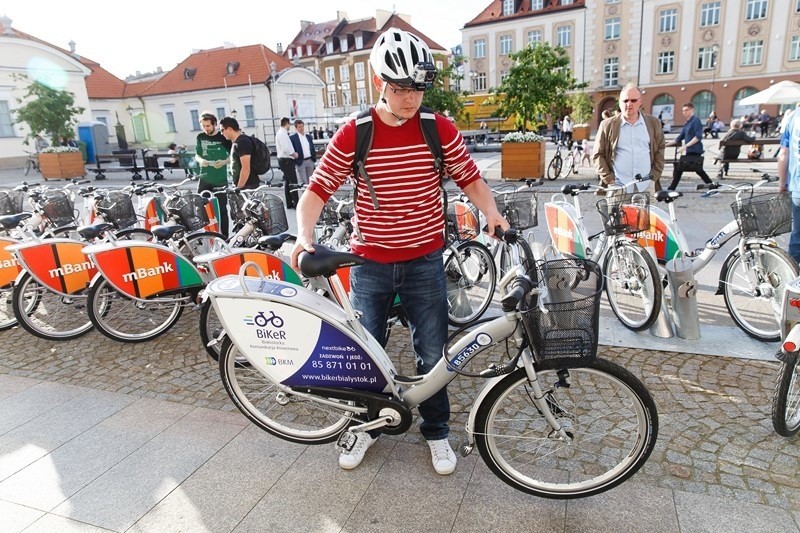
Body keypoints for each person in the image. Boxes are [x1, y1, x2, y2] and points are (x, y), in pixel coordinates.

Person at [290, 27, 508, 476]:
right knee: (366, 353)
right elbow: (317, 189)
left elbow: (470, 178)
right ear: (379, 83)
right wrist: (302, 234)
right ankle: (365, 426)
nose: (411, 99)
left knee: (433, 353)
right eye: (401, 89)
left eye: (418, 88)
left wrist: (492, 213)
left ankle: (436, 431)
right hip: (369, 262)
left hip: (425, 261)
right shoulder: (356, 132)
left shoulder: (437, 128)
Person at [592, 83, 666, 193]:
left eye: (633, 100)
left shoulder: (653, 123)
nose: (629, 104)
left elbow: (660, 148)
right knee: (615, 211)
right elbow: (597, 155)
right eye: (625, 101)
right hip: (618, 186)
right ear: (620, 103)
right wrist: (609, 179)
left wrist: (653, 176)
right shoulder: (607, 125)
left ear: (640, 102)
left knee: (645, 211)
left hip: (645, 185)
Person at [195, 113, 232, 237]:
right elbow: (197, 155)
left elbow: (232, 155)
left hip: (220, 179)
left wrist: (223, 162)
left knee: (221, 209)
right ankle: (204, 235)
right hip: (204, 177)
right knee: (201, 207)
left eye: (208, 126)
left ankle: (224, 237)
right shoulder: (200, 137)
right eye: (203, 126)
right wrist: (201, 161)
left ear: (215, 124)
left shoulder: (223, 137)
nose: (206, 128)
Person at [665, 102, 714, 190]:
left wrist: (686, 146)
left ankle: (671, 188)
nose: (684, 112)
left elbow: (698, 137)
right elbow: (679, 138)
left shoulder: (696, 121)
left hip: (695, 150)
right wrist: (664, 145)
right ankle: (713, 186)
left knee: (681, 169)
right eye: (683, 111)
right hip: (690, 151)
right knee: (697, 170)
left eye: (686, 110)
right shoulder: (687, 123)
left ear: (692, 110)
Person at [778, 108, 800, 263]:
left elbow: (783, 154)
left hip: (796, 186)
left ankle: (793, 280)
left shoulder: (793, 116)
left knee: (797, 235)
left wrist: (782, 183)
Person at [219, 116, 261, 190]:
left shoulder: (242, 142)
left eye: (222, 130)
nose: (221, 133)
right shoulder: (238, 141)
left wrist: (239, 188)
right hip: (246, 185)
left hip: (247, 187)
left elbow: (246, 168)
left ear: (229, 129)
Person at [275, 117, 299, 209]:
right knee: (293, 182)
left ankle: (289, 203)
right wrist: (294, 154)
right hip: (287, 160)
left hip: (284, 161)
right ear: (287, 123)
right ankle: (296, 203)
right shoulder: (282, 134)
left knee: (288, 182)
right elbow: (285, 149)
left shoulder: (281, 133)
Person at [290, 119, 316, 186]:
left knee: (311, 181)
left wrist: (314, 158)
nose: (301, 128)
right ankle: (304, 196)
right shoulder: (293, 138)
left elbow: (312, 148)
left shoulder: (308, 137)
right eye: (299, 127)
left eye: (302, 126)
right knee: (303, 182)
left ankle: (310, 196)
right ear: (296, 128)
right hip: (301, 162)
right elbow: (292, 150)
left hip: (310, 160)